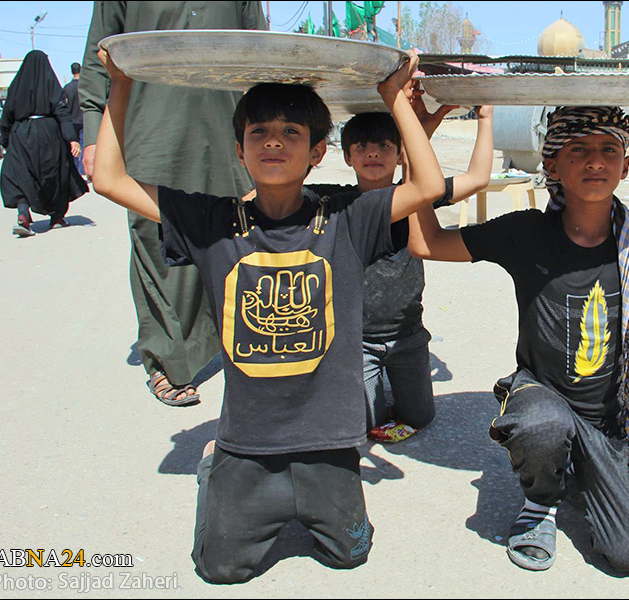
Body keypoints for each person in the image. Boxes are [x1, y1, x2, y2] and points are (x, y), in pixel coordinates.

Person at [93, 48, 446, 582]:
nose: (274, 141)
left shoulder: (347, 218)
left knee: (350, 555)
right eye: (259, 133)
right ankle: (216, 470)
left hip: (329, 440)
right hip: (247, 442)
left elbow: (428, 187)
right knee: (219, 570)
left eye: (291, 133)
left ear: (318, 151)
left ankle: (312, 499)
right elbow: (109, 180)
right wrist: (120, 84)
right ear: (240, 150)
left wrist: (393, 96)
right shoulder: (212, 222)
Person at [407, 74, 629, 573]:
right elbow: (426, 243)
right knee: (541, 425)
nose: (595, 161)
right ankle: (540, 500)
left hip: (609, 423)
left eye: (607, 149)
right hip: (541, 398)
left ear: (625, 164)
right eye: (577, 150)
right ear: (551, 164)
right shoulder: (525, 233)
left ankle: (578, 466)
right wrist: (413, 143)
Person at [79, 2, 267, 406]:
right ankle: (167, 360)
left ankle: (252, 339)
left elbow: (261, 51)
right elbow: (99, 53)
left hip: (230, 125)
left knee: (239, 229)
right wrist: (93, 132)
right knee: (157, 236)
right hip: (151, 124)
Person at [309, 101, 493, 442]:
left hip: (408, 336)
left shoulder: (418, 198)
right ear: (347, 156)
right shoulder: (335, 203)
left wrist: (485, 117)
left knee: (420, 417)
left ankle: (392, 388)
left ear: (399, 155)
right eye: (361, 146)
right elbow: (268, 195)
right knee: (363, 424)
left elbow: (478, 178)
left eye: (384, 146)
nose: (373, 154)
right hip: (356, 341)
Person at [0, 50, 87, 237]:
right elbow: (61, 112)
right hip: (49, 134)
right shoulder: (51, 86)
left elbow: (6, 116)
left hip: (21, 134)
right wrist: (71, 138)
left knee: (20, 174)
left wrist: (5, 141)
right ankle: (56, 217)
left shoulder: (16, 86)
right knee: (54, 175)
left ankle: (23, 214)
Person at [60, 62, 84, 176]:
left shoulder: (67, 88)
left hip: (72, 121)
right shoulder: (85, 86)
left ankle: (75, 170)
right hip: (84, 120)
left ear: (71, 71)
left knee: (73, 147)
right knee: (84, 146)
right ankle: (84, 170)